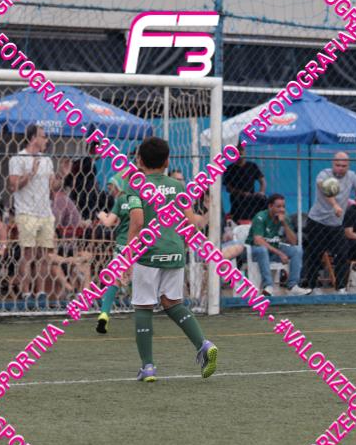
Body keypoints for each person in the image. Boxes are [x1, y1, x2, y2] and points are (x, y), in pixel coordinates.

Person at [126, 136, 217, 382]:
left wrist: (128, 253)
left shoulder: (136, 184)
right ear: (167, 161)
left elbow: (137, 221)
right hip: (175, 250)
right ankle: (203, 344)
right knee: (172, 302)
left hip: (148, 252)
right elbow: (191, 222)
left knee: (143, 305)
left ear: (139, 160)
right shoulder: (177, 186)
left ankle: (148, 367)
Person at [303, 152, 356, 293]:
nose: (340, 168)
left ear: (348, 165)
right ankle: (310, 287)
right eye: (338, 165)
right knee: (314, 254)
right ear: (333, 163)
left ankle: (340, 287)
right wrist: (335, 205)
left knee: (342, 252)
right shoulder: (324, 174)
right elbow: (325, 191)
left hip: (336, 225)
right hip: (317, 222)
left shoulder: (351, 176)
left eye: (344, 166)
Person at [8, 124, 60, 308]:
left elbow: (53, 188)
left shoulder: (47, 160)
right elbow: (13, 186)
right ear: (33, 138)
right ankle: (26, 293)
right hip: (26, 212)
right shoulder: (18, 158)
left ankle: (41, 293)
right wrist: (31, 173)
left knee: (44, 255)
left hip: (45, 212)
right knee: (28, 254)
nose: (46, 140)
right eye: (43, 136)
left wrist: (63, 175)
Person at [245, 194, 311, 296]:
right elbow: (258, 241)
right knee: (262, 250)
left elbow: (293, 242)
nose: (282, 209)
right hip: (254, 251)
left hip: (273, 250)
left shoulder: (284, 217)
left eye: (283, 206)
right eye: (278, 206)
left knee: (297, 250)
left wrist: (284, 223)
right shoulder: (260, 217)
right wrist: (280, 253)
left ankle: (293, 286)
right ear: (270, 206)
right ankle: (268, 286)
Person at [94, 173, 132, 334]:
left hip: (122, 246)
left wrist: (102, 215)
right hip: (140, 245)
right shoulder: (144, 200)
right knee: (140, 284)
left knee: (114, 281)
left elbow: (109, 223)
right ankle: (145, 322)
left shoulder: (121, 200)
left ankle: (104, 313)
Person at [223, 141, 266, 222]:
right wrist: (241, 193)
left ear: (245, 151)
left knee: (263, 201)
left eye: (241, 150)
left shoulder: (252, 166)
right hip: (237, 198)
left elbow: (262, 181)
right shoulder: (230, 168)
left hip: (251, 197)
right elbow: (228, 188)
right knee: (238, 217)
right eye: (237, 150)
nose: (240, 152)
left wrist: (261, 192)